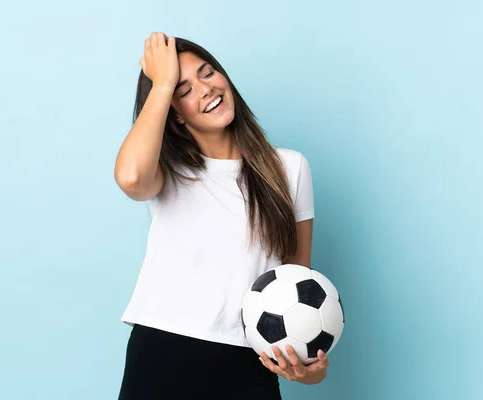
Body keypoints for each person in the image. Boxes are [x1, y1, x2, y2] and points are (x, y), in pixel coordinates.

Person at [114, 32, 330, 400]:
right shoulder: (168, 172)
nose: (205, 89)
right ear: (174, 114)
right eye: (183, 90)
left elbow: (296, 284)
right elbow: (131, 178)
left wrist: (309, 371)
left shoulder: (290, 168)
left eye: (208, 72)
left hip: (246, 366)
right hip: (161, 356)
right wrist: (161, 83)